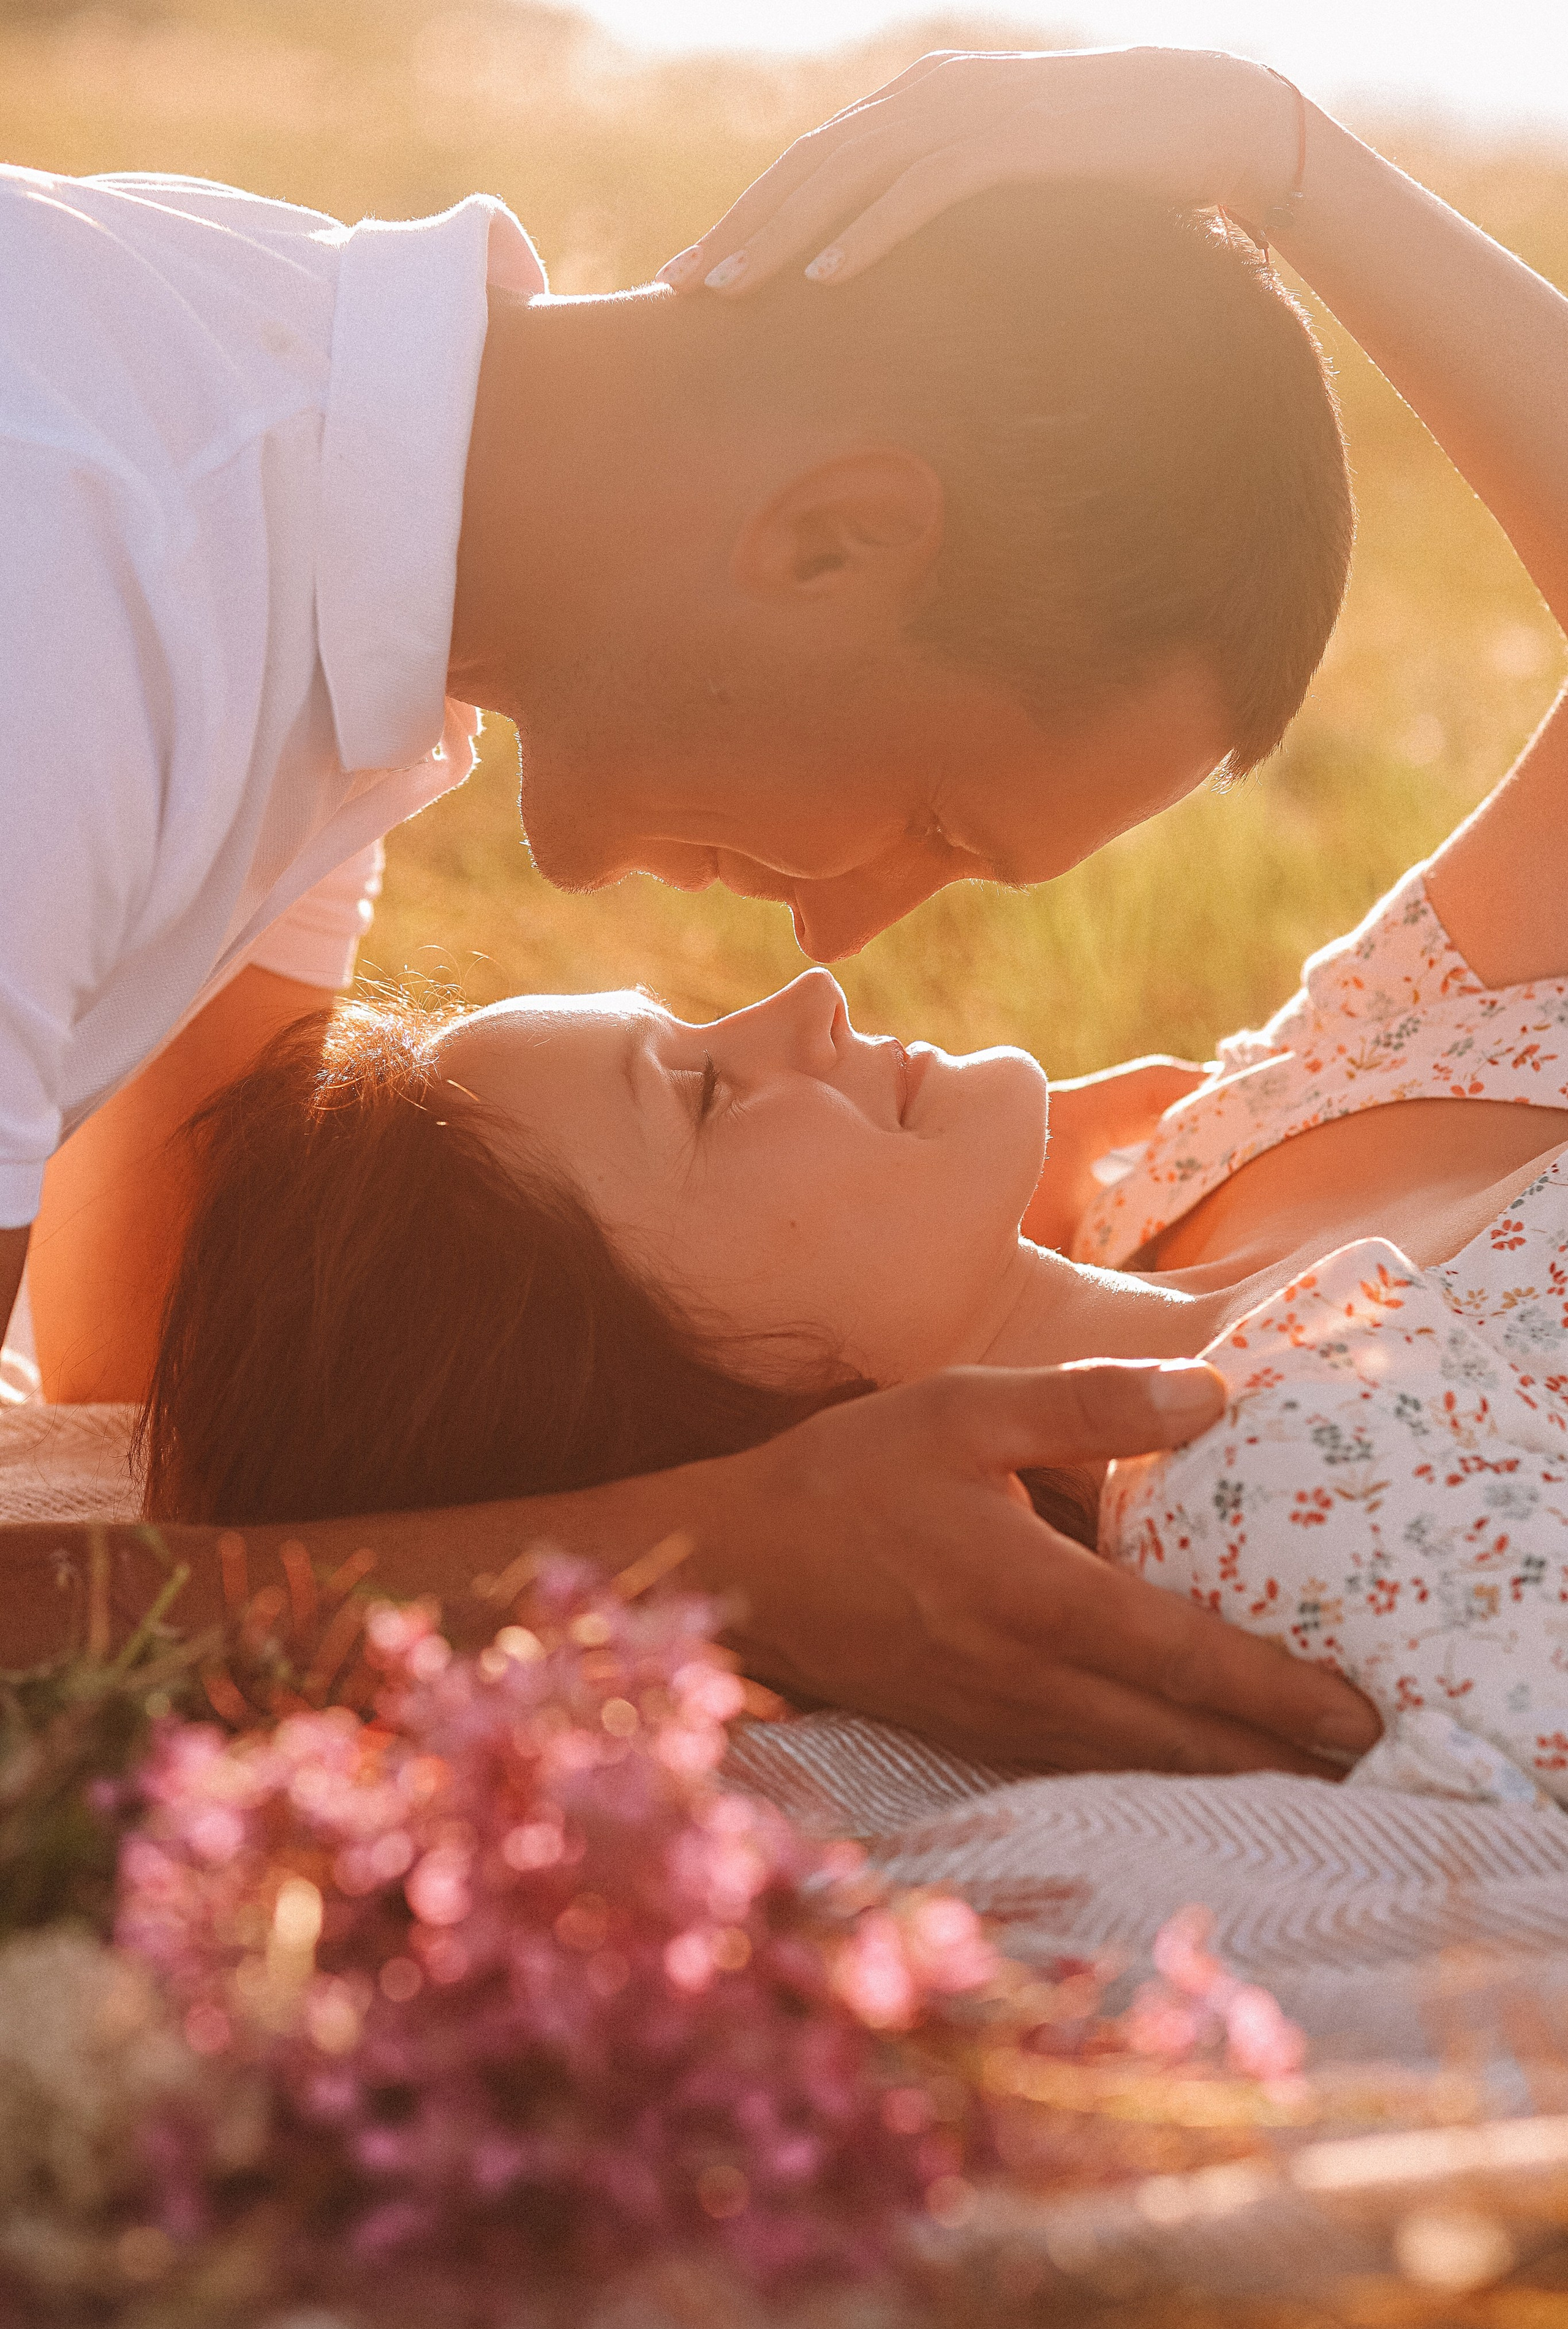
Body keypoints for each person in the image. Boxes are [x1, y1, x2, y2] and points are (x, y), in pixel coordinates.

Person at [0, 146, 1374, 1774]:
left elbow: (139, 1332)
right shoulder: (80, 598)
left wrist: (879, 1255)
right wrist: (702, 1556)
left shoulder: (306, 533)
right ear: (835, 541)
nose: (836, 937)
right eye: (934, 814)